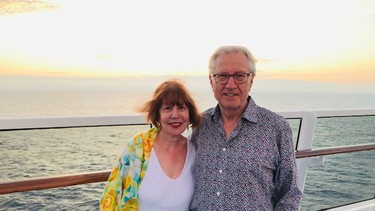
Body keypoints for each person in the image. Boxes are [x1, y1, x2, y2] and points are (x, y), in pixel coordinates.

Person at [190, 45, 302, 210]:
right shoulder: (200, 124)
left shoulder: (276, 128)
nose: (230, 84)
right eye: (222, 76)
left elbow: (290, 193)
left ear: (251, 80)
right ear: (211, 80)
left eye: (239, 76)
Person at [100, 79, 202, 211]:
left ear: (189, 113)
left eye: (181, 108)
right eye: (168, 108)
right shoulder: (137, 148)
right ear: (157, 115)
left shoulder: (195, 151)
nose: (175, 115)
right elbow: (112, 198)